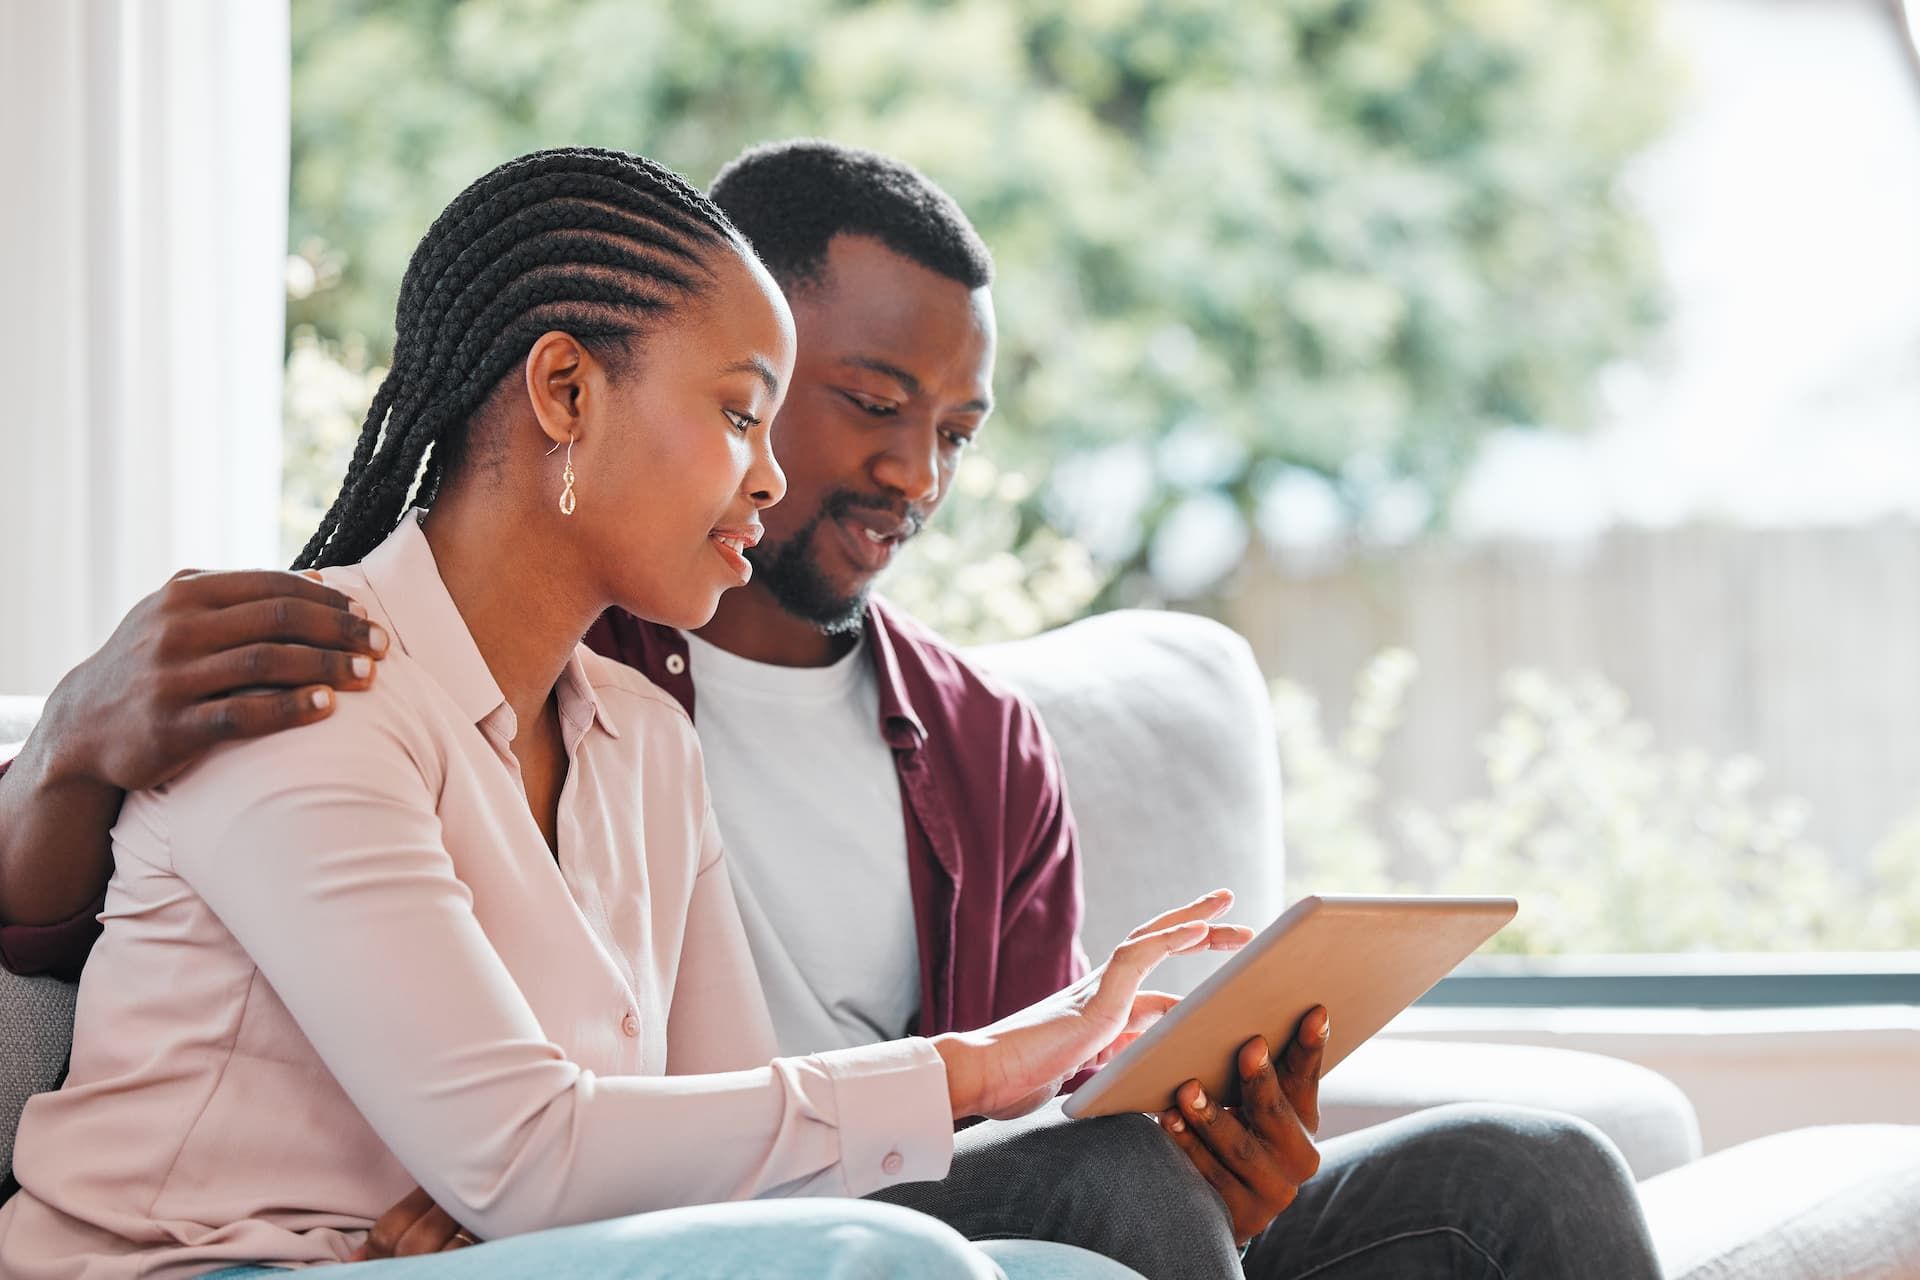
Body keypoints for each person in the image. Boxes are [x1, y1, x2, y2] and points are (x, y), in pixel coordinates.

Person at [0, 142, 1663, 1279]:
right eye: (754, 411)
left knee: (1517, 1173)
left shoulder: (638, 738)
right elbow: (528, 1148)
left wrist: (1079, 1094)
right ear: (566, 389)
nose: (799, 472)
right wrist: (975, 1073)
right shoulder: (305, 683)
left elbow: (710, 1148)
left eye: (958, 433)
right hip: (245, 1266)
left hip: (578, 1235)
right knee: (1026, 1217)